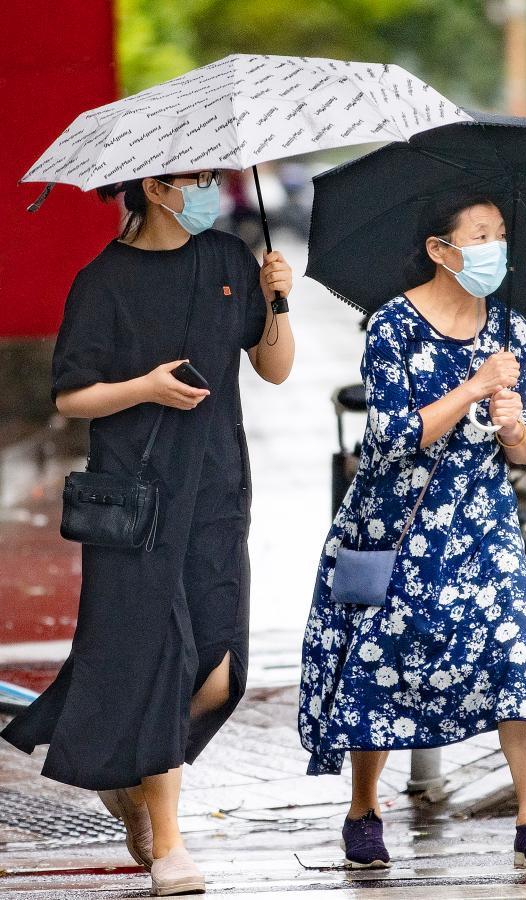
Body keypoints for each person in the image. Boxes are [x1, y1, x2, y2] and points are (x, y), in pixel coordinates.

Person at [1, 168, 293, 895]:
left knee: (221, 675)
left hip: (219, 493)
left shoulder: (227, 258)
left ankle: (123, 777)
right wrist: (145, 388)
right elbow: (72, 394)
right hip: (135, 502)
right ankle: (168, 844)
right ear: (154, 189)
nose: (204, 189)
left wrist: (276, 300)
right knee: (164, 662)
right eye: (190, 179)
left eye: (208, 177)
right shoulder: (103, 281)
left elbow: (275, 368)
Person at [298, 194, 526, 871]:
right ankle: (364, 809)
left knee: (513, 656)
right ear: (440, 250)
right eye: (480, 235)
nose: (495, 248)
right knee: (381, 666)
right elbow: (389, 439)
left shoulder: (513, 328)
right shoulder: (393, 326)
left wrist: (512, 427)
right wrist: (475, 388)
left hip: (484, 524)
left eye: (500, 234)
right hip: (400, 526)